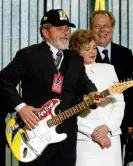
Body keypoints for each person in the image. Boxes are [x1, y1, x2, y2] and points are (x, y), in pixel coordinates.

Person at [0, 9, 104, 166]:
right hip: (34, 136)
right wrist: (21, 107)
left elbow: (84, 82)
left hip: (66, 141)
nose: (65, 33)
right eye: (59, 28)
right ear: (45, 32)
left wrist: (92, 91)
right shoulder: (28, 55)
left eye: (67, 29)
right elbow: (3, 80)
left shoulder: (74, 58)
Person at [69, 29, 125, 166]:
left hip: (111, 138)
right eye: (87, 48)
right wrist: (94, 134)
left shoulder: (108, 69)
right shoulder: (68, 74)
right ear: (76, 51)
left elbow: (119, 103)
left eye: (94, 47)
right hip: (85, 142)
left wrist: (107, 127)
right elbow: (68, 111)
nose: (93, 52)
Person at [89, 9, 133, 155]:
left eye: (106, 25)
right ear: (91, 29)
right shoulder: (80, 55)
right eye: (97, 26)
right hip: (89, 125)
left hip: (118, 125)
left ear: (112, 28)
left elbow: (130, 93)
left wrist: (130, 122)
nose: (102, 30)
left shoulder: (126, 54)